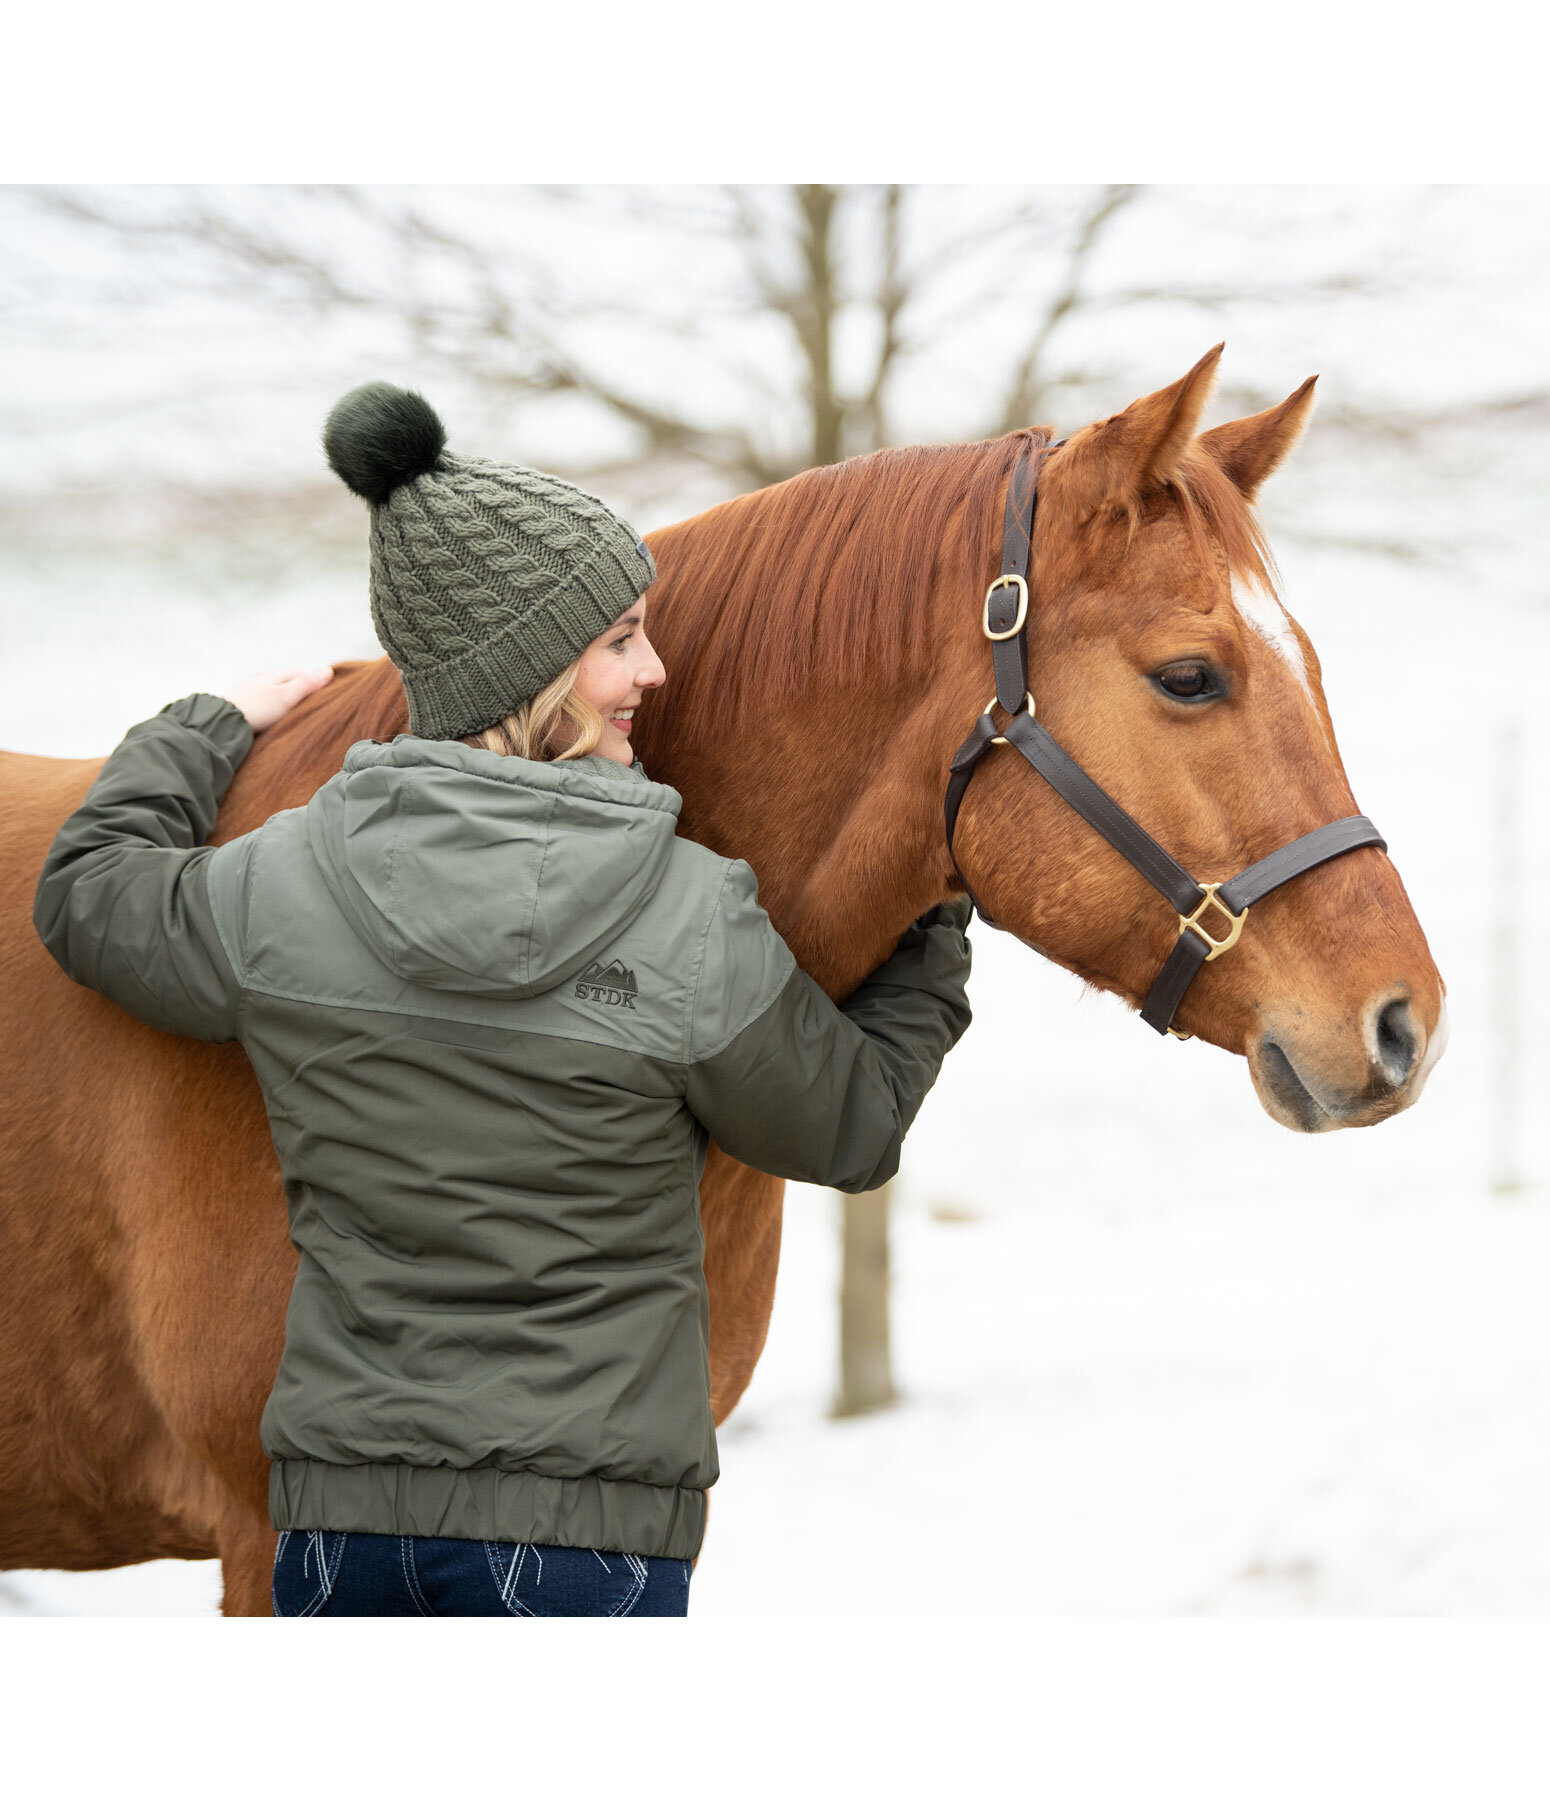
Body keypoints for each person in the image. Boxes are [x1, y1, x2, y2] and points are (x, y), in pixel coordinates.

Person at [32, 382, 973, 1618]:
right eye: (619, 639)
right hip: (582, 1543)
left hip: (338, 1533)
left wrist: (207, 726)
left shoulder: (289, 882)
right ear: (530, 669)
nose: (656, 667)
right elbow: (848, 1129)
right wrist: (932, 905)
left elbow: (89, 897)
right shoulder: (689, 916)